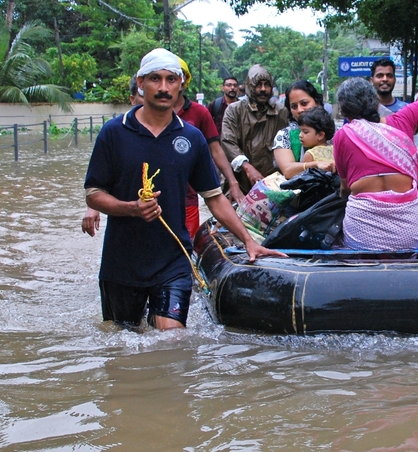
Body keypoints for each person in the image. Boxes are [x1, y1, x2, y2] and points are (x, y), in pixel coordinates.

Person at [84, 48, 285, 331]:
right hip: (122, 262)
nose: (164, 88)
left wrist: (249, 240)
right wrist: (131, 208)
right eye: (155, 79)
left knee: (172, 340)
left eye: (171, 79)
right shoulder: (114, 133)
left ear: (180, 85)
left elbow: (214, 198)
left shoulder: (192, 138)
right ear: (141, 83)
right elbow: (93, 193)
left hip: (173, 259)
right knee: (122, 340)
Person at [333, 78, 418, 250]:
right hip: (409, 234)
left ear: (344, 111)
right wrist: (415, 108)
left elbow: (345, 188)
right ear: (376, 103)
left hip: (361, 236)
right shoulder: (404, 119)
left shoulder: (343, 136)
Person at [175, 58, 244, 238]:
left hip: (189, 195)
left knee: (186, 248)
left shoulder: (200, 112)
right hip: (150, 199)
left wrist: (233, 182)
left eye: (176, 76)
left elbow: (216, 149)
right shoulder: (139, 118)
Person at [83, 74, 142, 236]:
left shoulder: (182, 131)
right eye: (143, 93)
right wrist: (93, 206)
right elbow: (99, 180)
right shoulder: (114, 132)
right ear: (133, 99)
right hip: (125, 228)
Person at [221, 64, 289, 195]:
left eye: (267, 85)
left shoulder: (281, 112)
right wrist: (247, 167)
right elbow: (228, 142)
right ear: (250, 86)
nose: (263, 89)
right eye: (258, 85)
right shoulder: (235, 110)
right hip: (240, 181)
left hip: (272, 185)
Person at [271, 80, 334, 178]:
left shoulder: (336, 134)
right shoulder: (284, 135)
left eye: (304, 103)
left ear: (317, 102)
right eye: (294, 106)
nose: (299, 110)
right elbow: (288, 171)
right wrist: (315, 164)